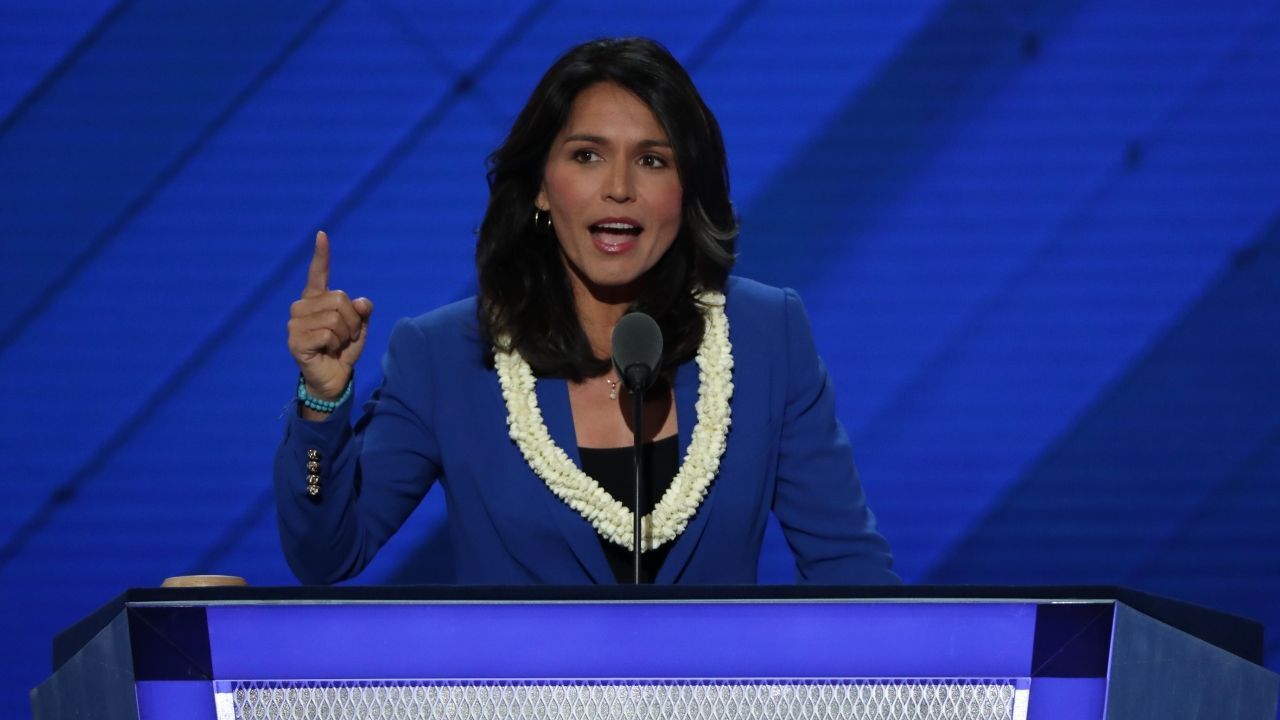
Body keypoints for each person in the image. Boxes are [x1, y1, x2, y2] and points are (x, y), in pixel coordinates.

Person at [275, 37, 897, 585]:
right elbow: (326, 555)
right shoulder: (445, 356)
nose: (619, 187)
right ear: (543, 186)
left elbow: (850, 569)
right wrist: (322, 402)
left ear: (687, 192)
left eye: (653, 160)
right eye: (587, 155)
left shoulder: (765, 336)